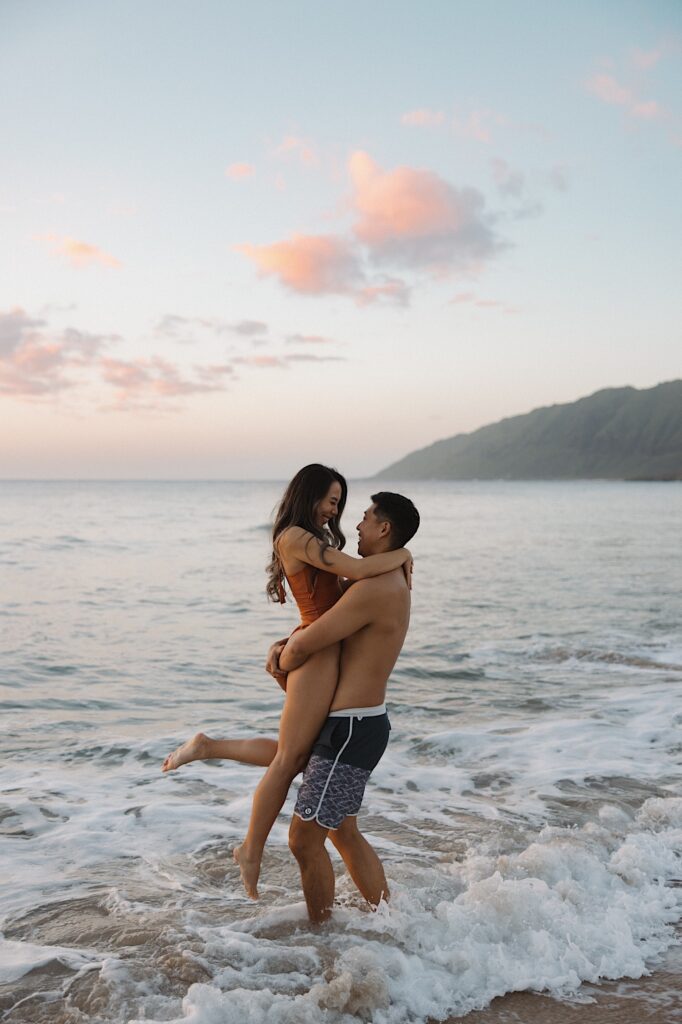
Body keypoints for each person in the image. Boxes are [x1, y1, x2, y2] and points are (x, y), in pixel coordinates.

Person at [161, 464, 412, 900]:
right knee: (291, 762)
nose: (343, 515)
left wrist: (287, 648)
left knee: (293, 757)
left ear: (383, 527)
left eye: (349, 508)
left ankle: (209, 747)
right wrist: (403, 555)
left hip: (327, 669)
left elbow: (348, 584)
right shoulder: (299, 538)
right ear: (310, 494)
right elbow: (350, 575)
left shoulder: (348, 564)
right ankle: (251, 850)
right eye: (333, 501)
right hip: (318, 659)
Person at [272, 491, 420, 923]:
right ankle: (390, 921)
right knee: (342, 831)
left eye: (365, 518)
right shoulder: (380, 581)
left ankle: (324, 933)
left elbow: (310, 641)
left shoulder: (375, 588)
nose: (356, 526)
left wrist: (278, 656)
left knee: (303, 840)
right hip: (357, 726)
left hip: (350, 730)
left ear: (384, 529)